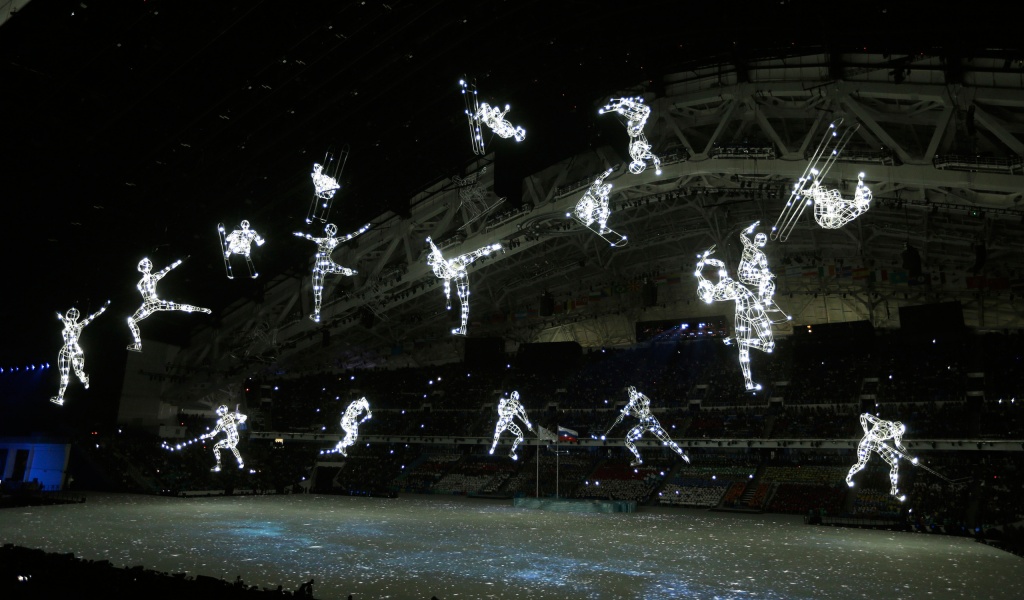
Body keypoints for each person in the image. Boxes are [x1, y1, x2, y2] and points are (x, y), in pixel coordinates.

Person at [695, 245, 786, 391]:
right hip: (751, 307)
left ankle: (748, 379)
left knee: (747, 349)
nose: (706, 282)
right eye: (706, 285)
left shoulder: (718, 287)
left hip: (741, 310)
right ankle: (748, 379)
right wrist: (704, 259)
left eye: (705, 283)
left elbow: (709, 269)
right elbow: (713, 268)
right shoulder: (718, 291)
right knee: (767, 347)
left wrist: (705, 258)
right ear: (707, 291)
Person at [126, 258, 211, 352]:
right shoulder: (140, 283)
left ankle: (202, 310)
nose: (146, 266)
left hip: (155, 302)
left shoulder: (153, 277)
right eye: (144, 265)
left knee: (179, 306)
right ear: (141, 268)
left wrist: (178, 262)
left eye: (147, 265)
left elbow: (167, 269)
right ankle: (138, 344)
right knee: (131, 321)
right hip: (147, 305)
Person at [294, 222, 370, 323]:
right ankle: (348, 271)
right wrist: (364, 228)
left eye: (330, 230)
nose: (330, 231)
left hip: (321, 264)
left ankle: (317, 313)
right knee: (318, 289)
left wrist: (300, 234)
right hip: (325, 264)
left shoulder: (323, 240)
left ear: (328, 231)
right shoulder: (333, 240)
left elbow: (309, 237)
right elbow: (351, 236)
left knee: (318, 291)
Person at [425, 236, 502, 335]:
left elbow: (436, 251)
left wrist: (431, 242)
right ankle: (463, 328)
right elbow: (447, 280)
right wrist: (448, 298)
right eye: (433, 260)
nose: (434, 260)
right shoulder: (437, 271)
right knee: (464, 302)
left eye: (433, 259)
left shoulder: (440, 263)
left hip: (459, 264)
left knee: (478, 253)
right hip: (458, 273)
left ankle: (496, 246)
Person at [605, 386, 689, 466]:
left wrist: (628, 412)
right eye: (630, 393)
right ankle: (638, 458)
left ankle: (682, 455)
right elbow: (633, 414)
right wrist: (623, 415)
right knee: (627, 440)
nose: (632, 394)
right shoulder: (631, 403)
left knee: (667, 440)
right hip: (643, 423)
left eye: (633, 392)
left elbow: (644, 410)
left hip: (651, 422)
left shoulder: (641, 397)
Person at [846, 413, 918, 501]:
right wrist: (866, 432)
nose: (897, 435)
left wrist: (910, 458)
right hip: (867, 441)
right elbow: (863, 415)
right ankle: (848, 478)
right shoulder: (883, 423)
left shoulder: (897, 434)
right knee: (861, 464)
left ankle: (894, 490)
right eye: (897, 432)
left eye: (899, 434)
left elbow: (899, 446)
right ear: (895, 426)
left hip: (877, 444)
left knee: (894, 464)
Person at [50, 300, 110, 406]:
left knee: (78, 372)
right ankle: (60, 397)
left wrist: (103, 308)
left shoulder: (79, 325)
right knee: (64, 376)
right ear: (68, 315)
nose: (72, 315)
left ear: (76, 316)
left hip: (76, 350)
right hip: (65, 350)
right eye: (70, 314)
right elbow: (58, 314)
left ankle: (85, 378)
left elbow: (93, 317)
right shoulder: (65, 322)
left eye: (74, 314)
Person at [598, 96, 662, 175]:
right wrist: (657, 167)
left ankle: (615, 106)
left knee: (631, 113)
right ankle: (617, 105)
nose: (636, 163)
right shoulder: (643, 154)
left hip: (632, 130)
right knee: (642, 113)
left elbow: (653, 157)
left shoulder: (633, 154)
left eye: (634, 165)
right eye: (637, 165)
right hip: (636, 129)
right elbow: (654, 158)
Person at [201, 404, 247, 472]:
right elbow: (244, 416)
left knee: (231, 446)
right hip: (234, 437)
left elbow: (213, 434)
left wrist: (205, 436)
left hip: (232, 438)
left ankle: (240, 462)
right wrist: (238, 423)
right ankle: (221, 465)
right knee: (217, 447)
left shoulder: (221, 422)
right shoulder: (231, 415)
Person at [489, 391, 534, 461]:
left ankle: (512, 451)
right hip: (502, 421)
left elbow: (524, 413)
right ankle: (493, 447)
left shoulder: (517, 404)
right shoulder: (505, 401)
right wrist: (511, 410)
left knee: (520, 435)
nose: (514, 399)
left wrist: (528, 424)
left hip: (509, 422)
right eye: (513, 397)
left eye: (516, 398)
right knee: (497, 433)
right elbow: (500, 411)